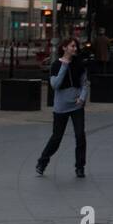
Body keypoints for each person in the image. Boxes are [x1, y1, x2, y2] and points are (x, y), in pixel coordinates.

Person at [37, 37, 89, 178]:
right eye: (72, 46)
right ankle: (42, 162)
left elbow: (84, 84)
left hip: (77, 106)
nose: (75, 49)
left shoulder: (80, 64)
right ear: (64, 47)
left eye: (76, 46)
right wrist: (64, 66)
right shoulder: (55, 65)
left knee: (80, 136)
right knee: (56, 138)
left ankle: (80, 167)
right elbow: (55, 85)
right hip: (61, 107)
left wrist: (82, 98)